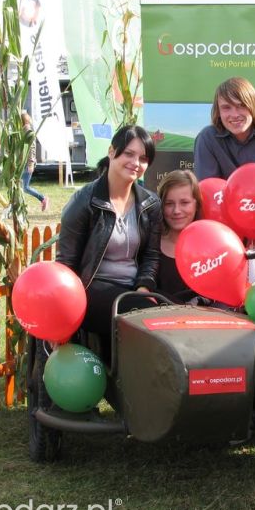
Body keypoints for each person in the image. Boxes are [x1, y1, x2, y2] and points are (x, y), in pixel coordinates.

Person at [56, 125, 161, 363]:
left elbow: (151, 256)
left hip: (133, 290)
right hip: (90, 289)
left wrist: (144, 286)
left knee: (173, 312)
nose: (136, 162)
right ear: (112, 152)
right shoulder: (85, 200)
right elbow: (66, 263)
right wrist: (63, 317)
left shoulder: (150, 203)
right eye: (129, 154)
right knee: (143, 313)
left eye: (143, 158)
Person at [193, 77, 255, 180]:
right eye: (226, 107)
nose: (234, 114)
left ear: (254, 106)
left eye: (241, 106)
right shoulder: (207, 139)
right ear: (218, 112)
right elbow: (208, 189)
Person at [155, 170, 203, 303]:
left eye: (184, 203)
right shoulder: (151, 247)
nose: (176, 211)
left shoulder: (209, 248)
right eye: (169, 204)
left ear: (196, 204)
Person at [20, 111, 49, 211]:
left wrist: (31, 163)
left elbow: (32, 148)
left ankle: (42, 198)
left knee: (25, 187)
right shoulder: (23, 131)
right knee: (21, 187)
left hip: (27, 164)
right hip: (23, 164)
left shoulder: (28, 132)